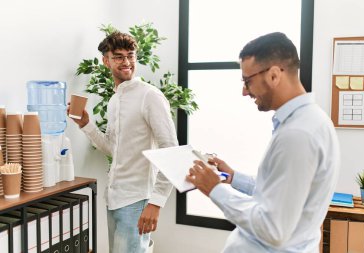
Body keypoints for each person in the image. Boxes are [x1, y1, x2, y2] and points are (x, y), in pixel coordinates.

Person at [186, 32, 340, 252]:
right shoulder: (308, 122)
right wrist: (234, 178)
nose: (243, 91)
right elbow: (281, 194)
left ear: (275, 75)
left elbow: (273, 229)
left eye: (248, 81)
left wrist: (215, 189)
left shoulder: (298, 134)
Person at [68, 31, 178, 253]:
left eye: (131, 55)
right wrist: (86, 125)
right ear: (106, 60)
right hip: (114, 199)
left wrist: (155, 203)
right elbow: (112, 148)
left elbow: (171, 152)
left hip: (138, 200)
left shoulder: (150, 96)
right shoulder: (114, 100)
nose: (127, 62)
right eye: (119, 56)